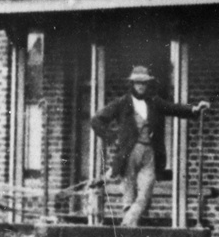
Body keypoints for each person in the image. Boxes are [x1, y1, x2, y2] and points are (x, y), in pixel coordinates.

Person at [90, 65, 210, 227]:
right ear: (132, 84)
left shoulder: (154, 102)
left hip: (150, 153)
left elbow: (173, 108)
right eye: (138, 83)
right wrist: (112, 137)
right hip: (128, 153)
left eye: (144, 83)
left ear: (148, 85)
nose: (141, 86)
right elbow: (96, 120)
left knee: (146, 192)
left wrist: (194, 109)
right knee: (128, 192)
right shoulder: (121, 103)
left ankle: (126, 224)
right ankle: (128, 231)